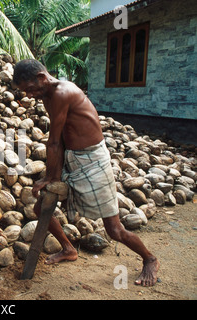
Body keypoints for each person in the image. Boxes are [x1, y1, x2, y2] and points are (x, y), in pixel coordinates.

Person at [12, 59, 159, 287]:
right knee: (42, 208)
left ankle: (149, 258)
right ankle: (69, 249)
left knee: (114, 230)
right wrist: (54, 175)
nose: (29, 95)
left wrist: (51, 176)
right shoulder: (47, 96)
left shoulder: (63, 92)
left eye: (30, 89)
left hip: (93, 160)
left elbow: (52, 142)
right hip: (73, 157)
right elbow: (60, 140)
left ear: (42, 78)